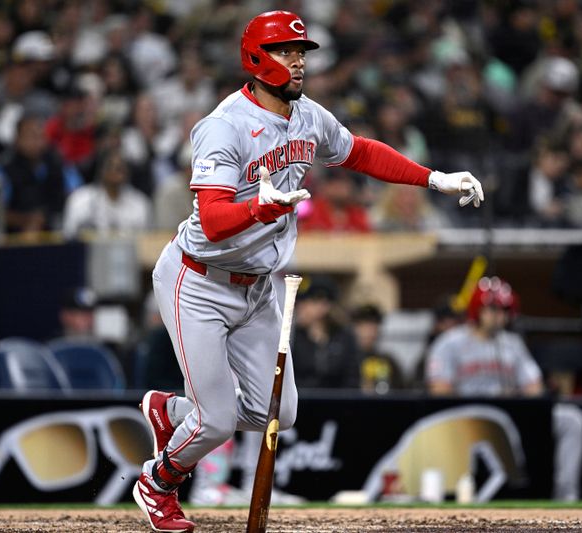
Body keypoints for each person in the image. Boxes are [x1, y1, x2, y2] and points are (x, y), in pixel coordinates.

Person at [131, 11, 484, 532]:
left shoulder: (307, 117)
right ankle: (158, 483)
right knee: (218, 421)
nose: (298, 61)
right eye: (285, 51)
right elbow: (211, 218)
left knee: (280, 413)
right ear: (255, 58)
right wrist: (260, 208)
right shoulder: (223, 126)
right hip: (198, 281)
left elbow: (360, 152)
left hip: (257, 289)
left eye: (301, 52)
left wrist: (433, 179)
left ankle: (172, 411)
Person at [425, 277, 582, 502]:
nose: (498, 315)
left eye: (503, 310)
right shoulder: (450, 343)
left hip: (512, 416)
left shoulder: (512, 344)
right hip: (467, 418)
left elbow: (535, 390)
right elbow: (439, 392)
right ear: (476, 309)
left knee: (571, 419)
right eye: (492, 309)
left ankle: (565, 496)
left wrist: (514, 399)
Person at [62, 148, 152, 239]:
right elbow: (69, 237)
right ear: (101, 169)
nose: (115, 171)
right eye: (110, 166)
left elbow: (146, 242)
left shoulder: (140, 203)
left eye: (120, 167)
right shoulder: (80, 200)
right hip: (90, 252)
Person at [291, 276, 361, 389]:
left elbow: (352, 378)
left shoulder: (344, 337)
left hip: (337, 402)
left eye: (308, 302)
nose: (300, 307)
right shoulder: (293, 336)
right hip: (302, 401)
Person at [352, 304, 404, 394]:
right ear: (355, 328)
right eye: (364, 325)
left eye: (374, 325)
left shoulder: (388, 361)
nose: (369, 331)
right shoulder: (346, 361)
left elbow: (400, 392)